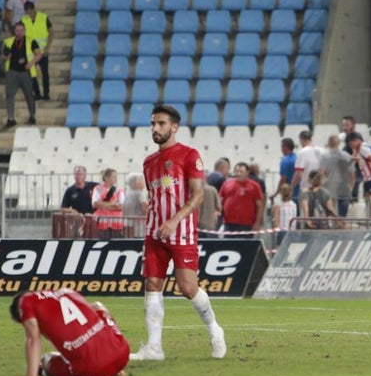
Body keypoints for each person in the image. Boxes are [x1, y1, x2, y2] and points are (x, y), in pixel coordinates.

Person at [133, 104, 227, 361]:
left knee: (187, 287)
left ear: (174, 126)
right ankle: (154, 348)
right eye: (153, 124)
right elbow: (155, 197)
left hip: (182, 231)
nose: (155, 128)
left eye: (161, 123)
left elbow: (198, 195)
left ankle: (214, 329)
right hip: (154, 234)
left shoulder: (189, 155)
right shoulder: (149, 162)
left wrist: (174, 220)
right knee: (152, 285)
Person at [11, 290, 130, 376]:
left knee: (46, 359)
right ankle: (116, 368)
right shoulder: (65, 291)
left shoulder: (25, 301)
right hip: (121, 354)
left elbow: (32, 340)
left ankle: (40, 372)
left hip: (91, 366)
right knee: (98, 307)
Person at [2, 21, 41, 127]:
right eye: (17, 30)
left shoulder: (31, 41)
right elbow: (3, 57)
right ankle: (11, 118)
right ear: (14, 31)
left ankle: (32, 115)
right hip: (12, 72)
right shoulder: (8, 41)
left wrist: (31, 63)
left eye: (21, 30)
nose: (19, 32)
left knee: (29, 95)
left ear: (24, 31)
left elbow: (38, 55)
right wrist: (6, 58)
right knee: (10, 95)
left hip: (25, 72)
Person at [219, 162, 265, 233]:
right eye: (237, 171)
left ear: (247, 173)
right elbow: (220, 201)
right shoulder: (227, 184)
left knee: (244, 243)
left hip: (246, 224)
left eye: (241, 172)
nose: (238, 174)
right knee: (228, 243)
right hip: (228, 223)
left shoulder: (254, 186)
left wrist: (257, 223)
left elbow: (260, 206)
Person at [90, 167, 125, 237]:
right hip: (102, 223)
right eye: (114, 177)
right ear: (106, 177)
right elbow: (95, 204)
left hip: (116, 223)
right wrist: (113, 204)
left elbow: (121, 206)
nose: (116, 179)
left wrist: (102, 205)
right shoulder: (98, 188)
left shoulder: (119, 190)